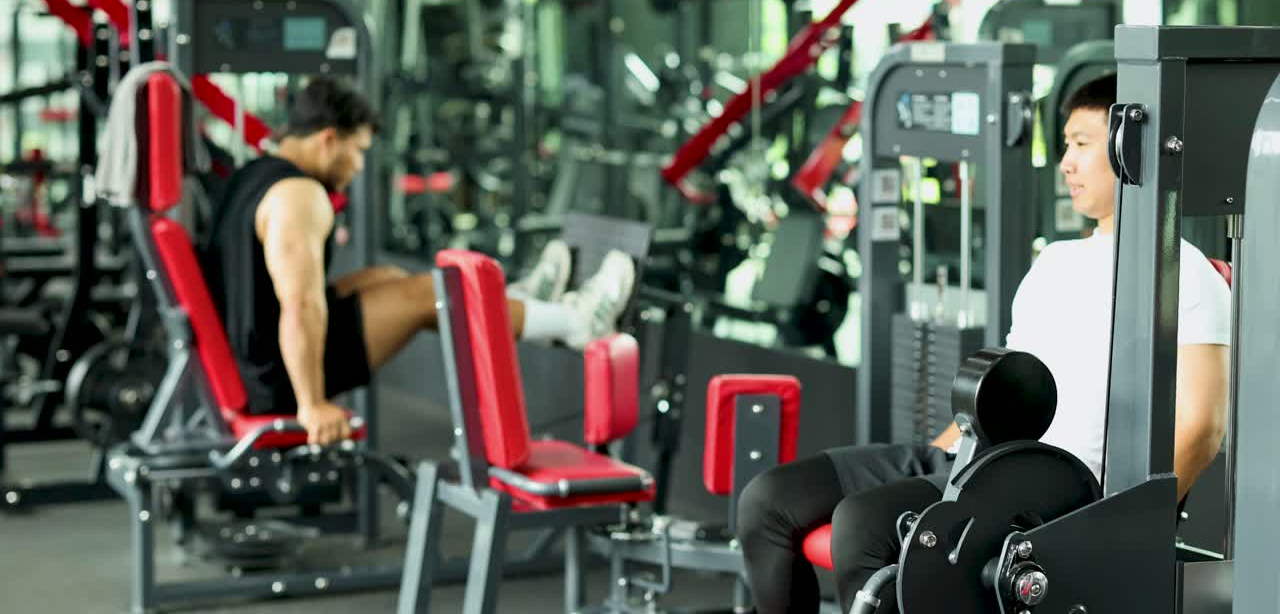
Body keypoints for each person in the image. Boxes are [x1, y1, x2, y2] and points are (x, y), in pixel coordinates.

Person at [735, 74, 1231, 613]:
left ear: (1126, 148)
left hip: (1046, 484)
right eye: (1065, 145)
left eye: (1082, 145)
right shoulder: (1054, 260)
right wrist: (948, 446)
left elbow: (1202, 425)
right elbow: (1009, 382)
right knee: (768, 502)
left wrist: (1114, 522)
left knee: (863, 524)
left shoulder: (1184, 273)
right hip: (972, 454)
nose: (1065, 162)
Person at [201, 76, 635, 446]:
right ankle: (576, 321)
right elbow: (301, 306)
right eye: (357, 150)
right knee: (430, 294)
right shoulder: (300, 196)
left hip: (257, 355)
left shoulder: (253, 174)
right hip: (276, 379)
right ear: (328, 139)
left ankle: (518, 305)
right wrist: (311, 404)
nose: (358, 166)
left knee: (389, 277)